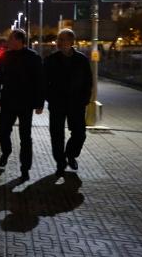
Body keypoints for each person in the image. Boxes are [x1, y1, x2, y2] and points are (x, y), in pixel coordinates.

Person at [0, 29, 44, 180]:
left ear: (19, 40)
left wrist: (40, 103)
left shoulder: (33, 58)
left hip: (26, 103)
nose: (8, 41)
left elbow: (40, 82)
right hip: (7, 101)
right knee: (3, 132)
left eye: (10, 38)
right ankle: (6, 152)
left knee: (25, 137)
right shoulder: (4, 57)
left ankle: (25, 168)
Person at [44, 29, 92, 177]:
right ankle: (60, 162)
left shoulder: (82, 60)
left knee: (80, 133)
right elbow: (44, 82)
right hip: (57, 103)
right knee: (56, 134)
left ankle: (71, 154)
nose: (59, 42)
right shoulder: (51, 59)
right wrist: (49, 98)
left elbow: (88, 82)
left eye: (63, 39)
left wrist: (85, 99)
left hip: (76, 103)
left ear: (71, 42)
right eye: (58, 39)